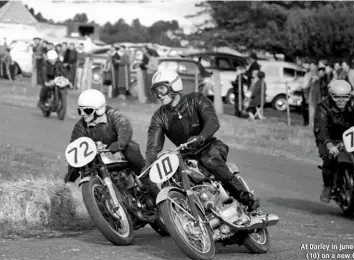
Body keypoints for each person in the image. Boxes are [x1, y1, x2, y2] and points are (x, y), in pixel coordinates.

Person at [146, 69, 260, 212]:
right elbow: (153, 146)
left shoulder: (196, 99)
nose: (159, 95)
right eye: (156, 91)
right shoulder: (159, 116)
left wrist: (201, 137)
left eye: (161, 89)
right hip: (186, 155)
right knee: (172, 178)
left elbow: (212, 121)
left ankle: (246, 197)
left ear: (173, 86)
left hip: (209, 145)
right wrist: (148, 165)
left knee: (209, 160)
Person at [63, 89, 159, 200]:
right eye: (80, 111)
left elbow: (124, 126)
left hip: (119, 151)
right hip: (97, 160)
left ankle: (156, 195)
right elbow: (77, 150)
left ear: (98, 109)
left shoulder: (113, 115)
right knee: (86, 171)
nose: (83, 114)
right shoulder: (80, 127)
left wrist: (120, 143)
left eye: (88, 110)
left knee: (133, 153)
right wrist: (70, 178)